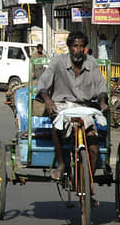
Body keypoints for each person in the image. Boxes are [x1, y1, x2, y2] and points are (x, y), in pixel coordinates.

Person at [35, 31, 108, 181]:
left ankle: (88, 188)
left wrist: (102, 101)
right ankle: (61, 164)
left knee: (93, 147)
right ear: (69, 47)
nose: (79, 50)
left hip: (85, 107)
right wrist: (47, 100)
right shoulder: (58, 62)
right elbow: (43, 83)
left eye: (82, 46)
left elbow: (101, 86)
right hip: (63, 105)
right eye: (75, 46)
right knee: (57, 127)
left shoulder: (91, 63)